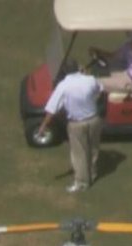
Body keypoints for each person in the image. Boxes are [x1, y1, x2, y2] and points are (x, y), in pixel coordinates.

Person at [36, 61, 104, 193]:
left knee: (79, 154)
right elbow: (100, 90)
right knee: (93, 149)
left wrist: (43, 126)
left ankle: (82, 183)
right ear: (78, 68)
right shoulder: (90, 79)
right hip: (94, 120)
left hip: (76, 124)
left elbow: (52, 109)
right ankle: (92, 174)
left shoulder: (63, 86)